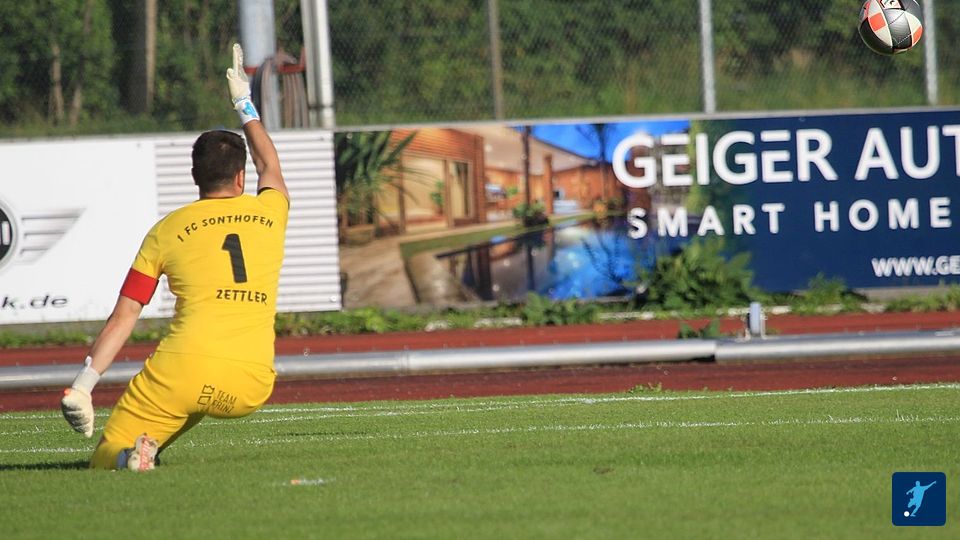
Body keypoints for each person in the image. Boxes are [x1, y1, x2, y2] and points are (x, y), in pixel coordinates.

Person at [60, 43, 289, 471]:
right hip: (250, 383)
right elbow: (270, 164)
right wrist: (244, 103)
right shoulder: (270, 212)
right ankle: (148, 448)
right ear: (242, 177)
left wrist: (84, 385)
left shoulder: (166, 231)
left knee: (106, 459)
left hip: (183, 371)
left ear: (194, 176)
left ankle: (127, 454)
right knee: (193, 401)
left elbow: (125, 315)